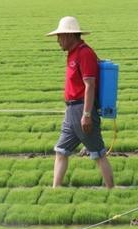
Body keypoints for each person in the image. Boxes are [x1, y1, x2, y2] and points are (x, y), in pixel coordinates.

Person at [46, 16, 114, 188]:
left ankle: (111, 190)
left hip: (82, 109)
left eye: (60, 36)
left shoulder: (85, 53)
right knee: (61, 151)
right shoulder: (72, 54)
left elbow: (89, 85)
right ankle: (55, 190)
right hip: (71, 110)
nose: (58, 40)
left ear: (70, 36)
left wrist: (86, 115)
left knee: (98, 154)